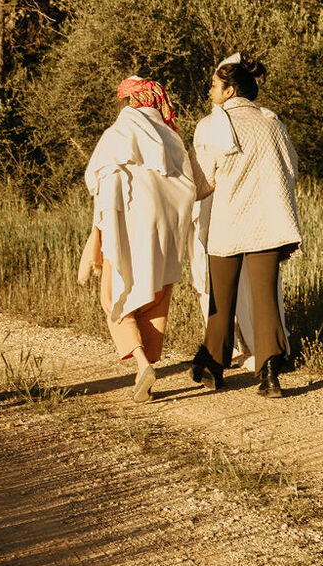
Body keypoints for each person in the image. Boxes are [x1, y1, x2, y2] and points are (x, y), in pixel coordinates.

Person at [190, 53, 301, 398]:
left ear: (230, 90)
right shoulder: (272, 123)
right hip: (267, 223)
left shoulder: (210, 126)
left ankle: (211, 367)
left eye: (213, 85)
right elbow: (291, 168)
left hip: (227, 224)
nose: (209, 90)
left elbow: (203, 183)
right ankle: (270, 375)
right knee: (265, 299)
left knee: (220, 299)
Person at [78, 76, 195, 403]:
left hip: (127, 224)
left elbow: (105, 189)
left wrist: (97, 236)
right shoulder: (171, 138)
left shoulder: (117, 135)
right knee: (154, 297)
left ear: (129, 101)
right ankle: (147, 365)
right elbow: (186, 188)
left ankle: (142, 364)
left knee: (114, 296)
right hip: (165, 229)